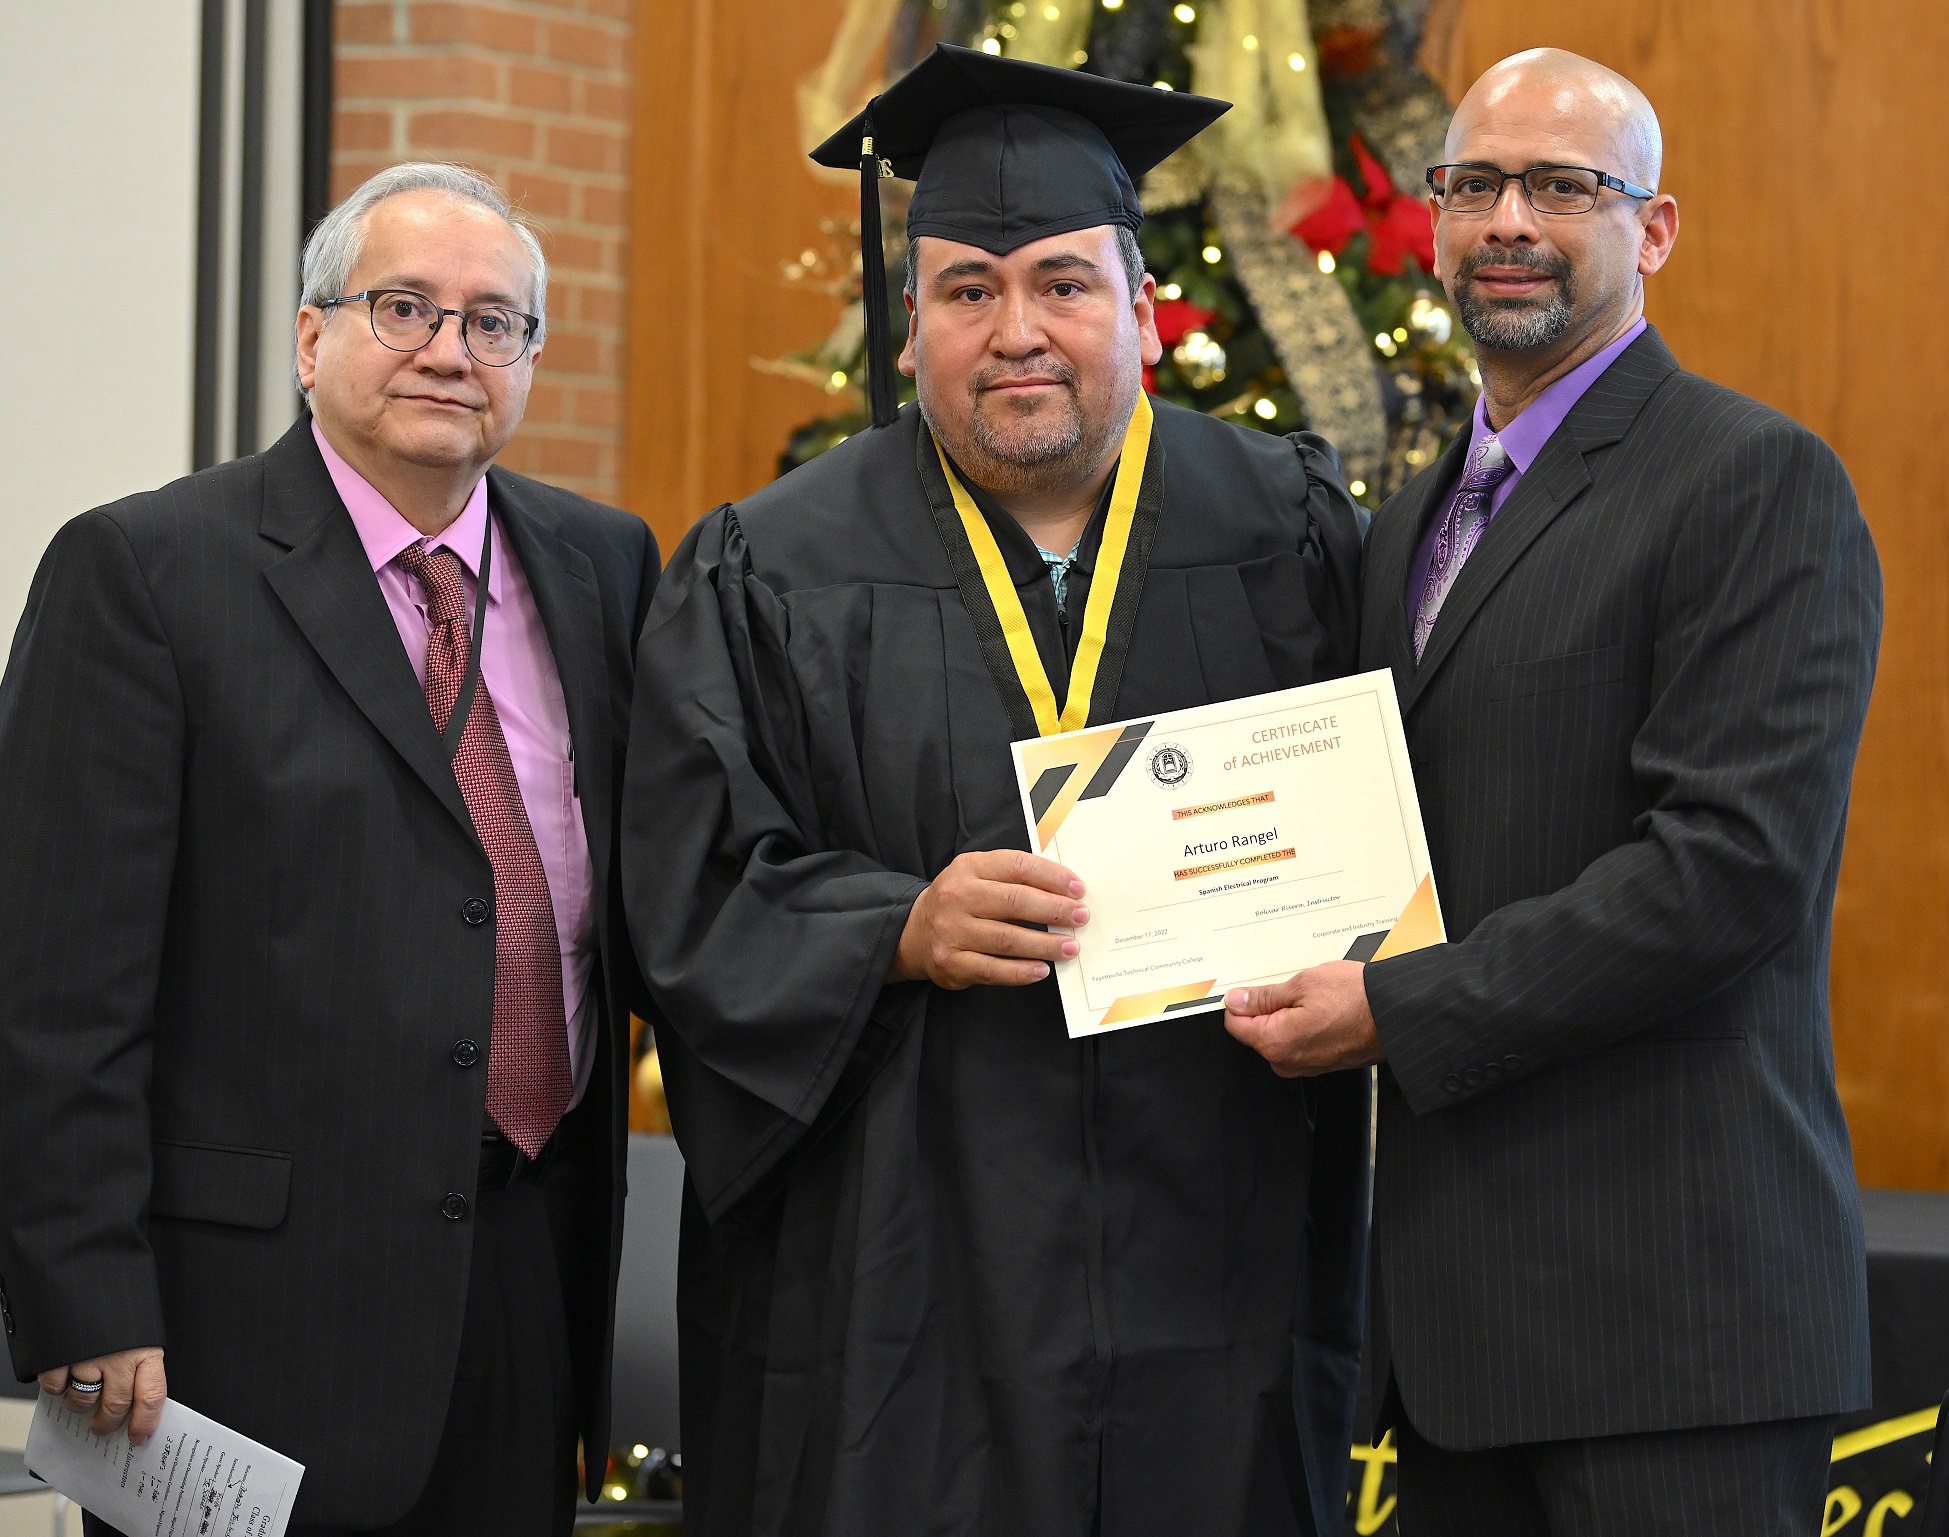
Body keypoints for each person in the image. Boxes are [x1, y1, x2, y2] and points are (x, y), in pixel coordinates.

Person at [622, 44, 1370, 1537]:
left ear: (1141, 310)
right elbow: (682, 891)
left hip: (1210, 1250)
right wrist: (893, 926)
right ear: (908, 330)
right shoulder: (772, 563)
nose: (1016, 330)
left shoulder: (1284, 527)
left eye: (1062, 284)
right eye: (968, 288)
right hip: (902, 1279)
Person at [1222, 48, 1882, 1533]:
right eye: (1473, 185)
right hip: (1460, 1343)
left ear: (1651, 229)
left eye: (1562, 185)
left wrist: (1393, 1007)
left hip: (1673, 1331)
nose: (1508, 218)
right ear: (1435, 220)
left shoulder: (1754, 480)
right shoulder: (1410, 525)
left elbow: (1728, 867)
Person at [0, 163, 659, 1535]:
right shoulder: (146, 574)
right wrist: (87, 1299)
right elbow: (55, 982)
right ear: (311, 339)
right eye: (403, 306)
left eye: (495, 321)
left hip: (529, 1275)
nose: (448, 350)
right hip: (238, 1323)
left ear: (529, 358)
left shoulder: (605, 567)